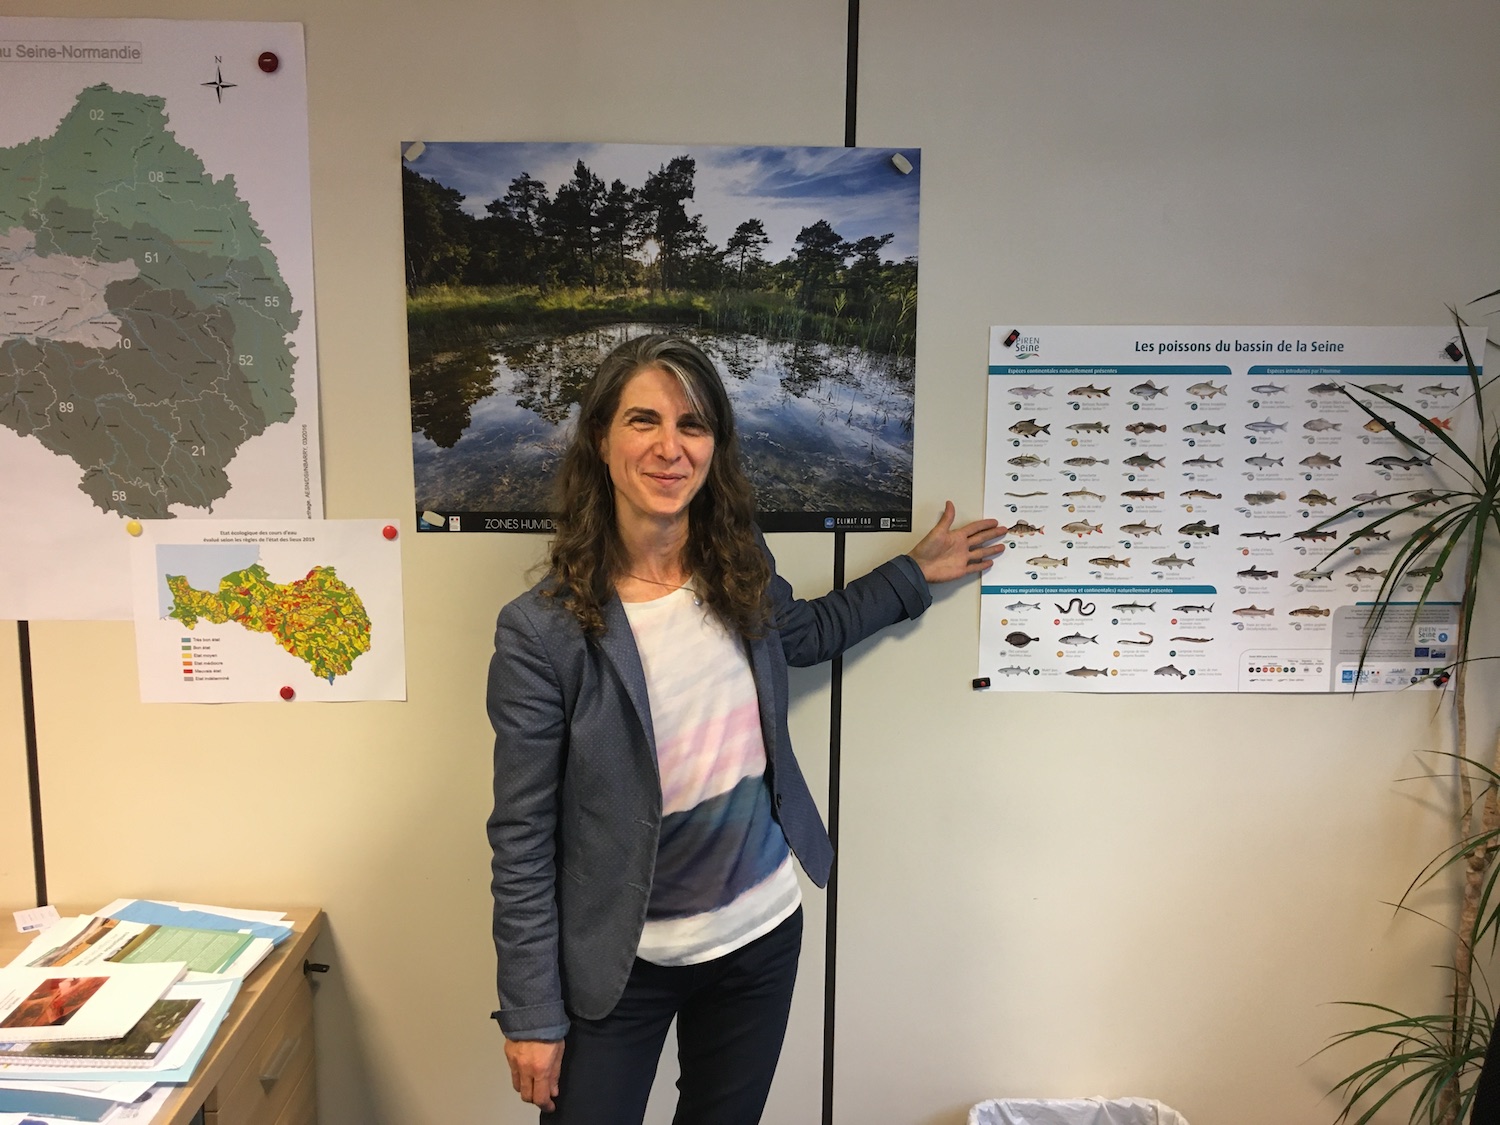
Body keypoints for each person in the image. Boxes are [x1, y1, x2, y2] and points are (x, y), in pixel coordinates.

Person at [486, 334, 1006, 1123]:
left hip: (757, 936)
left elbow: (804, 634)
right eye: (643, 421)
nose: (670, 447)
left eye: (692, 425)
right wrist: (530, 1013)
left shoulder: (738, 563)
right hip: (622, 962)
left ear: (714, 444)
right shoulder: (543, 631)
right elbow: (521, 835)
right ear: (601, 437)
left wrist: (913, 574)